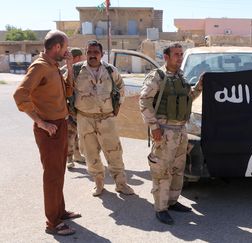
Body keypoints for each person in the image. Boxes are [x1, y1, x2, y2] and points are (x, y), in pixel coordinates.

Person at [13, 30, 81, 236]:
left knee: (58, 171)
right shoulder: (40, 67)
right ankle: (53, 223)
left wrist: (69, 66)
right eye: (66, 47)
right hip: (49, 129)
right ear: (57, 47)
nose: (68, 51)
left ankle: (59, 212)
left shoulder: (53, 67)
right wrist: (40, 123)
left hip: (60, 125)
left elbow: (68, 92)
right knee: (52, 175)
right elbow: (20, 95)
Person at [139, 43, 203, 225]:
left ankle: (173, 202)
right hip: (164, 131)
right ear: (166, 57)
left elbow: (187, 98)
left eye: (181, 54)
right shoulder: (157, 76)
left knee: (177, 169)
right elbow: (144, 101)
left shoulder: (180, 76)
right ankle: (160, 208)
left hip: (181, 131)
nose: (180, 57)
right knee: (162, 171)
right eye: (176, 54)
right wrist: (154, 127)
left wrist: (199, 86)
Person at [71, 40, 134, 197]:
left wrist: (117, 106)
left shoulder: (110, 70)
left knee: (114, 152)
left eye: (96, 52)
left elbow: (120, 87)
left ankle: (121, 183)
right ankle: (98, 183)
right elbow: (63, 84)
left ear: (102, 54)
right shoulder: (75, 70)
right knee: (90, 153)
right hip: (85, 118)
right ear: (86, 53)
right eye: (90, 52)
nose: (93, 55)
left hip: (107, 118)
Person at [60, 48, 86, 169]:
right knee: (70, 134)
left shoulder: (79, 69)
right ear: (76, 58)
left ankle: (77, 155)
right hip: (69, 108)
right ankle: (69, 158)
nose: (83, 59)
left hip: (77, 108)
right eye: (81, 57)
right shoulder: (66, 71)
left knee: (76, 134)